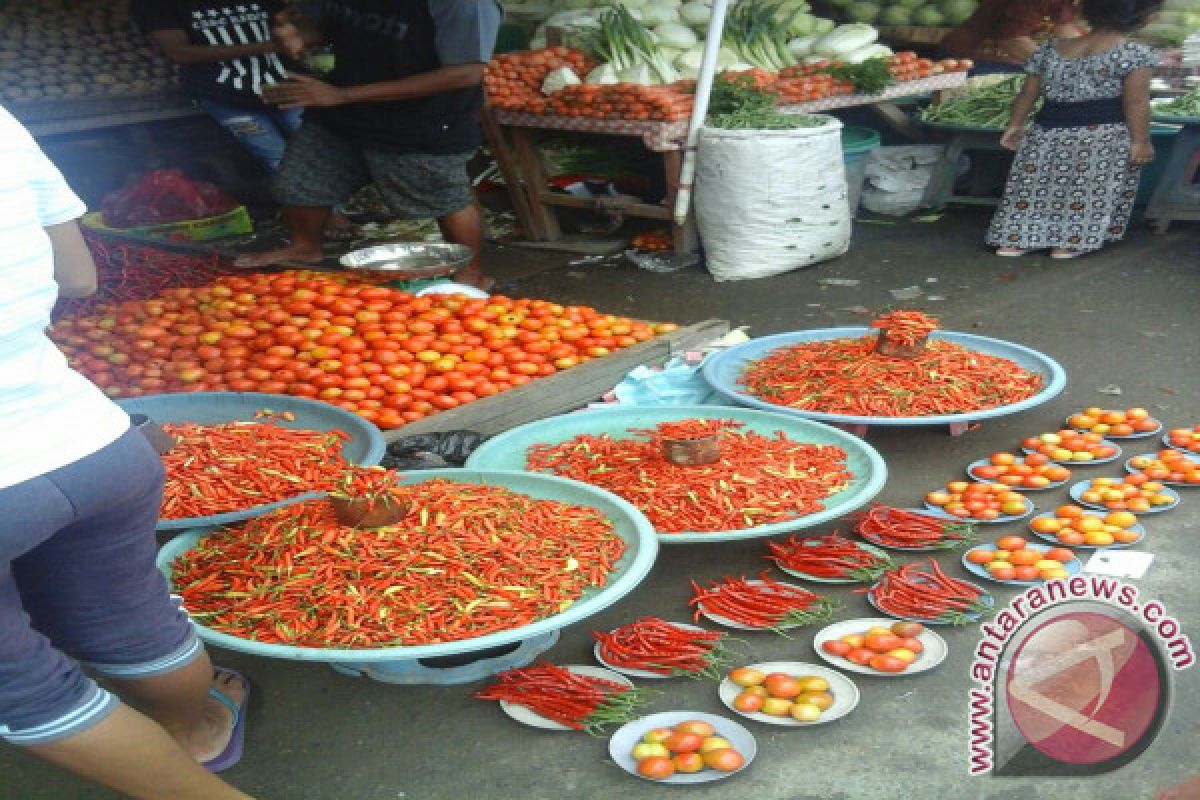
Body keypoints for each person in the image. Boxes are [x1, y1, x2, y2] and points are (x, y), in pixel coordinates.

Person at [0, 105, 253, 800]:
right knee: (131, 622)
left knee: (26, 693)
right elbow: (77, 277)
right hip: (88, 438)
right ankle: (193, 733)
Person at [232, 0, 502, 290]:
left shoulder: (465, 5)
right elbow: (331, 26)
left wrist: (344, 95)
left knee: (442, 196)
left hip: (421, 119)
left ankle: (470, 273)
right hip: (343, 106)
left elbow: (466, 73)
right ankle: (304, 246)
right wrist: (298, 33)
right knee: (298, 181)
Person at [985, 0, 1160, 259]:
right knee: (1084, 189)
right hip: (1100, 137)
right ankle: (1068, 242)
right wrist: (1141, 141)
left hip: (1046, 131)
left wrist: (1015, 125)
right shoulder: (1135, 54)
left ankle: (1015, 240)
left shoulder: (1050, 49)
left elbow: (1027, 93)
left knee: (1035, 187)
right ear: (1145, 18)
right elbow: (1136, 102)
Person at [131, 0, 299, 173]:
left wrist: (295, 35)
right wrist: (271, 46)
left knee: (319, 143)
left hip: (284, 86)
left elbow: (289, 22)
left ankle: (322, 197)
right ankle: (306, 198)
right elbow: (180, 52)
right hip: (223, 95)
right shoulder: (156, 4)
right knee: (276, 155)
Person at [940, 0, 1082, 73]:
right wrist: (1058, 68)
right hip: (968, 58)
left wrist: (1086, 62)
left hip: (1012, 59)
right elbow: (1011, 40)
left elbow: (1064, 28)